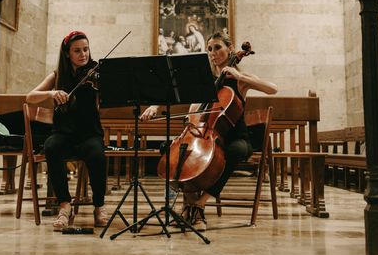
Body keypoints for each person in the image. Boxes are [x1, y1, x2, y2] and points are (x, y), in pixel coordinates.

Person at [139, 31, 278, 224]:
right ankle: (189, 202)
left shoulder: (240, 79)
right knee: (170, 150)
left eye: (218, 47)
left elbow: (272, 88)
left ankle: (199, 203)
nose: (213, 53)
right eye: (210, 49)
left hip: (236, 138)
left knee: (234, 151)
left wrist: (239, 75)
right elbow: (175, 94)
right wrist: (155, 106)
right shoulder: (206, 82)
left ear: (230, 49)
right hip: (204, 137)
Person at [26, 30, 109, 231]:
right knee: (51, 147)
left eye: (86, 49)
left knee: (97, 154)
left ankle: (99, 205)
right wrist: (51, 93)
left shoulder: (96, 74)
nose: (84, 54)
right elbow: (30, 97)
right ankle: (65, 205)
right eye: (77, 51)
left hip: (90, 134)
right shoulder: (57, 76)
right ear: (67, 54)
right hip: (63, 133)